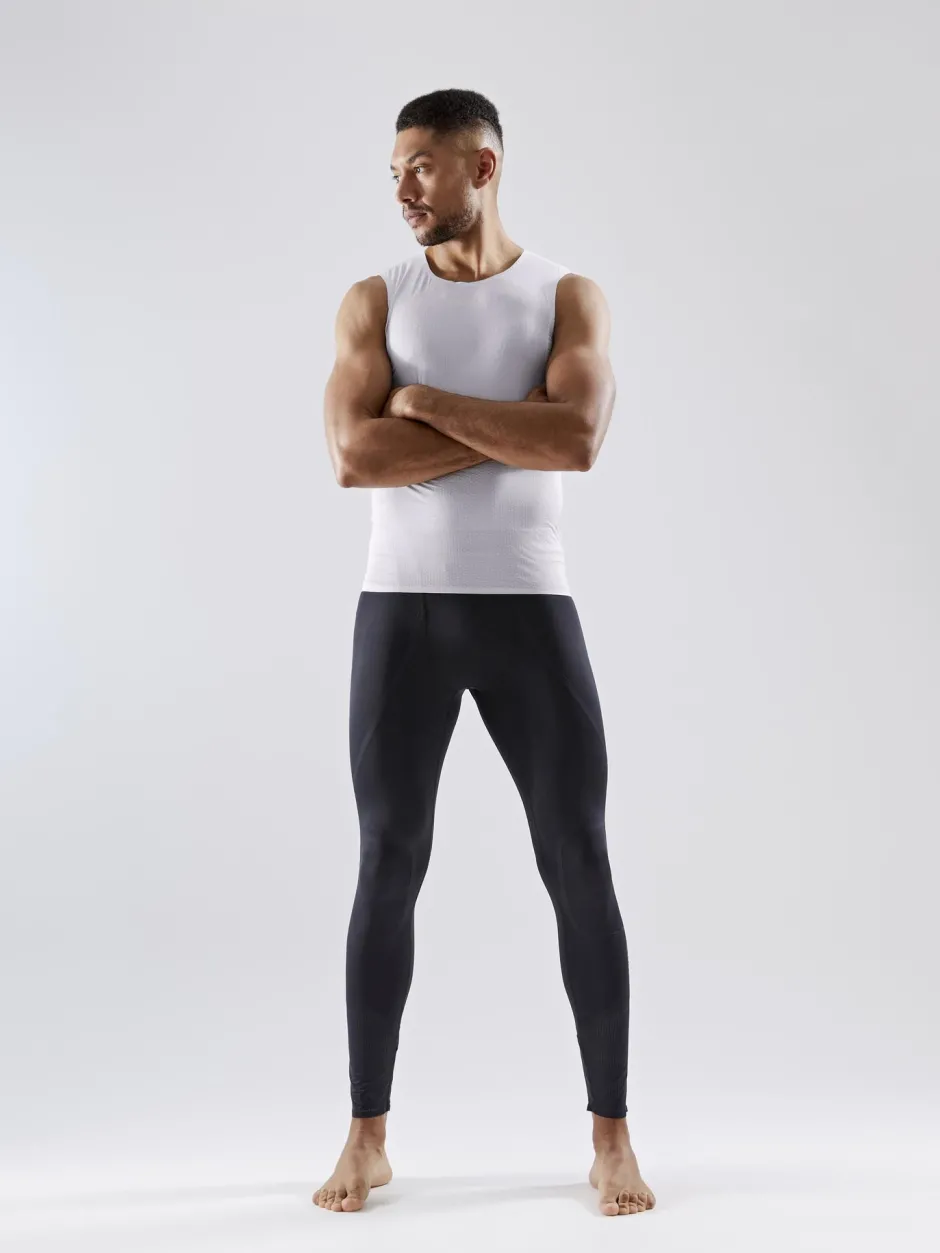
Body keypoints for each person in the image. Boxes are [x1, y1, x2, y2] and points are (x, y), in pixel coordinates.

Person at [315, 88, 655, 1219]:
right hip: (400, 613)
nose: (402, 188)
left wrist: (422, 401)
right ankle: (366, 1135)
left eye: (421, 165)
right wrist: (506, 421)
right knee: (388, 861)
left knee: (578, 861)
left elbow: (576, 438)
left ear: (484, 166)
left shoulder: (565, 296)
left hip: (527, 611)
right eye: (395, 170)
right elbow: (354, 457)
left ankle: (610, 1138)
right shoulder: (376, 299)